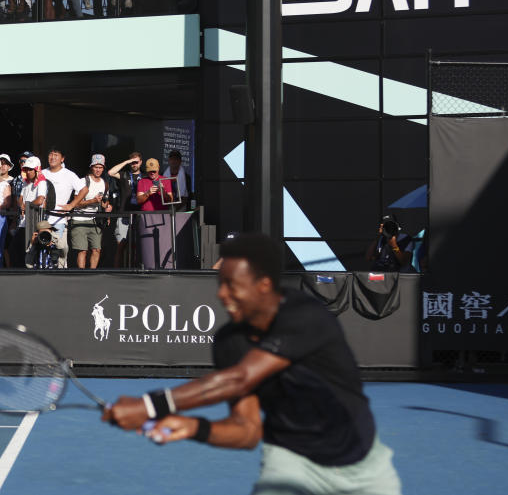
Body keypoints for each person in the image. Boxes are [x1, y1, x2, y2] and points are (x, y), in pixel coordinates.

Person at [104, 233, 402, 495]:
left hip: (364, 468)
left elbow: (240, 379)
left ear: (264, 285)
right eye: (221, 285)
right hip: (290, 461)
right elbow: (246, 432)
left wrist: (151, 405)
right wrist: (193, 427)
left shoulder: (304, 314)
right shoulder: (229, 343)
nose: (221, 294)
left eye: (232, 285)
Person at [42, 147, 84, 268]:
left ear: (62, 159)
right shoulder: (42, 173)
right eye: (51, 154)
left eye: (56, 155)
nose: (52, 157)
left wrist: (71, 205)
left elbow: (84, 189)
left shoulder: (69, 175)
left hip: (58, 220)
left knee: (60, 251)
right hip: (42, 219)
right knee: (42, 253)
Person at [69, 154, 112, 269]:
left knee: (96, 249)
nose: (98, 170)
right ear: (91, 167)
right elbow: (75, 203)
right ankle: (82, 275)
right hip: (79, 220)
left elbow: (104, 203)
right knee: (82, 251)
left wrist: (107, 207)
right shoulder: (83, 181)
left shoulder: (104, 183)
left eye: (100, 167)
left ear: (103, 168)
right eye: (96, 167)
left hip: (95, 221)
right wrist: (92, 201)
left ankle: (92, 274)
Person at [136, 157, 173, 269]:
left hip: (162, 216)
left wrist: (163, 192)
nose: (152, 173)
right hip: (146, 217)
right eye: (150, 171)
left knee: (163, 243)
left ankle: (163, 266)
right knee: (147, 243)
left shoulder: (165, 180)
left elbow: (170, 200)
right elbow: (139, 200)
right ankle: (146, 266)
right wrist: (148, 193)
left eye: (154, 171)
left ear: (158, 169)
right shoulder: (142, 181)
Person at [109, 152, 144, 267]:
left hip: (139, 215)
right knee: (121, 245)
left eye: (136, 162)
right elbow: (111, 172)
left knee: (138, 245)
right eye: (132, 162)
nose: (134, 164)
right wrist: (126, 162)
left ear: (141, 162)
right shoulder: (124, 174)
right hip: (124, 213)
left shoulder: (144, 177)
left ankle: (135, 270)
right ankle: (116, 272)